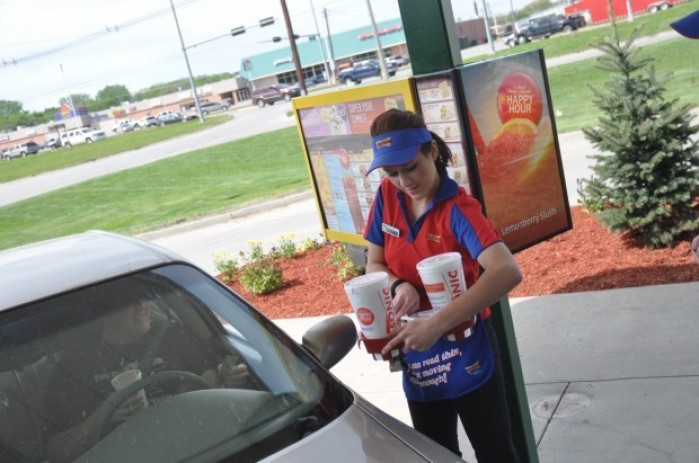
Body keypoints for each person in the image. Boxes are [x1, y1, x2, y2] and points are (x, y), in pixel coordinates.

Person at [363, 108, 523, 462]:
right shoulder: (387, 198)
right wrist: (398, 285)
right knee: (436, 453)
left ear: (431, 151)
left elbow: (506, 270)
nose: (404, 181)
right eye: (392, 172)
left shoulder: (458, 209)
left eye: (411, 167)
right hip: (418, 350)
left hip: (466, 345)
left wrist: (436, 324)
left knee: (495, 452)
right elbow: (373, 263)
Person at [44, 287, 251, 463]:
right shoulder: (73, 369)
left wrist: (228, 373)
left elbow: (223, 364)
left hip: (199, 448)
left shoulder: (176, 337)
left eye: (143, 298)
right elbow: (57, 454)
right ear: (104, 314)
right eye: (129, 303)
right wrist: (101, 416)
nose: (143, 306)